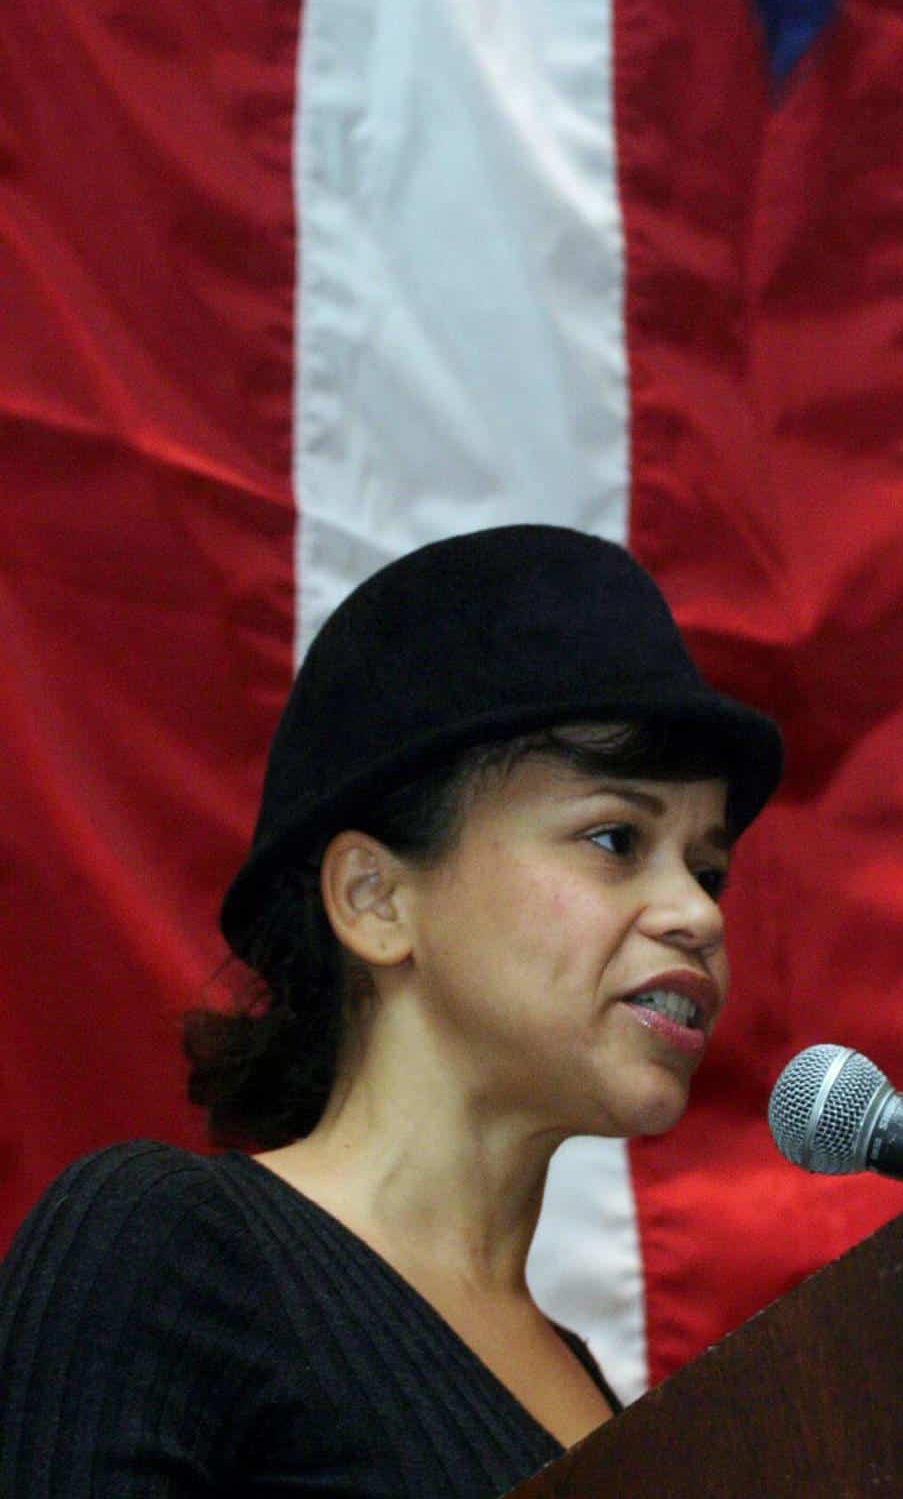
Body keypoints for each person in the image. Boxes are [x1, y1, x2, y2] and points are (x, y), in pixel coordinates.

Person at [0, 524, 783, 1497]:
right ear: (374, 899)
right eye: (616, 838)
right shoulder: (161, 1249)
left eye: (707, 869)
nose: (698, 914)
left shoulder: (588, 1389)